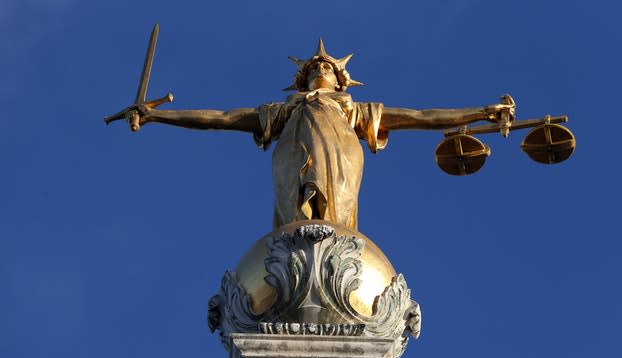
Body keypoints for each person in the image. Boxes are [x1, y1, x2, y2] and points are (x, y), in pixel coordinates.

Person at [129, 40, 514, 231]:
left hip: (342, 155)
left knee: (336, 223)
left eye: (326, 66)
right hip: (293, 156)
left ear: (341, 78)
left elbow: (421, 116)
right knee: (296, 220)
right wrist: (158, 117)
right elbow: (222, 118)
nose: (320, 67)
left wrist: (482, 112)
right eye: (314, 66)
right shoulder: (285, 110)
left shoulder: (352, 109)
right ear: (301, 78)